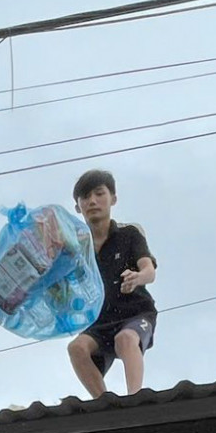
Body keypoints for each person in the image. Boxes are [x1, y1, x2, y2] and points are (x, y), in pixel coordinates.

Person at [65, 168, 159, 398]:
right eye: (85, 198)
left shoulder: (129, 234)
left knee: (125, 339)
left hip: (136, 314)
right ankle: (103, 404)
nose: (93, 201)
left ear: (113, 199)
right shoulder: (76, 249)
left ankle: (135, 399)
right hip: (99, 320)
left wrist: (138, 277)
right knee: (76, 348)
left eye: (99, 194)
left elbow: (149, 269)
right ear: (78, 207)